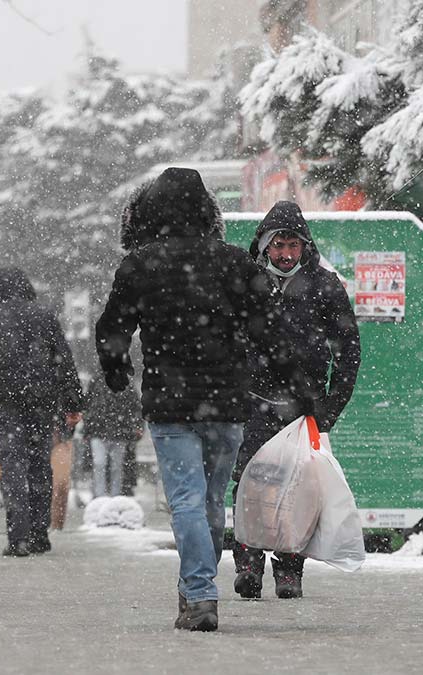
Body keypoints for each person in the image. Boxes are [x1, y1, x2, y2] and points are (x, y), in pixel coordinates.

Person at [95, 167, 285, 632]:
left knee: (185, 500)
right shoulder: (233, 262)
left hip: (170, 403)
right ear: (207, 211)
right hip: (225, 404)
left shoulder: (140, 264)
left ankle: (200, 593)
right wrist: (280, 379)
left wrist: (117, 372)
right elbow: (268, 328)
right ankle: (196, 588)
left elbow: (113, 329)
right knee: (212, 500)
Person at [231, 201, 361, 600]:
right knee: (250, 485)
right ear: (264, 246)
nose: (286, 254)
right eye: (278, 245)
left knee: (297, 489)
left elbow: (349, 350)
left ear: (305, 246)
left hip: (303, 408)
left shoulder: (325, 285)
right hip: (253, 402)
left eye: (293, 245)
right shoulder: (246, 283)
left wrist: (330, 408)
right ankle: (248, 563)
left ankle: (289, 569)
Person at [0, 269, 84, 556]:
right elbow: (63, 360)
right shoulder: (44, 316)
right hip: (42, 401)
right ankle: (40, 533)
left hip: (6, 403)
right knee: (40, 463)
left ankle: (18, 537)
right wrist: (73, 402)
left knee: (13, 466)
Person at [84, 374, 144, 498]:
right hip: (109, 430)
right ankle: (104, 496)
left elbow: (88, 404)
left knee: (110, 466)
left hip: (112, 431)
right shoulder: (100, 380)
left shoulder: (99, 380)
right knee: (105, 465)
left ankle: (109, 496)